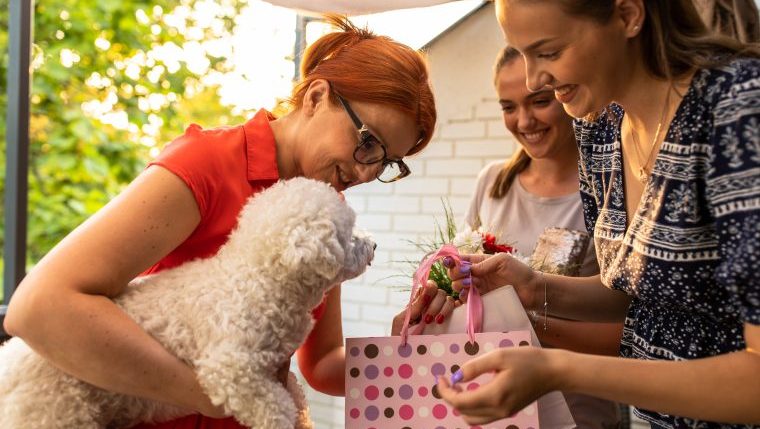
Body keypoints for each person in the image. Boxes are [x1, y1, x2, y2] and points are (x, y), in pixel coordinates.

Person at [3, 15, 436, 429]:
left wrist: (412, 359)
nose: (366, 172)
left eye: (386, 162)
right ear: (317, 96)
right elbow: (39, 306)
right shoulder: (206, 164)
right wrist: (211, 392)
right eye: (367, 143)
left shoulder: (325, 209)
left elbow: (321, 363)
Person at [436, 1, 760, 428]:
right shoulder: (599, 129)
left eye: (548, 53)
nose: (537, 79)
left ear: (628, 15)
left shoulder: (737, 107)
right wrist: (533, 288)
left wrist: (559, 369)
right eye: (523, 54)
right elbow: (639, 293)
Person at [463, 45, 623, 429]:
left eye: (538, 101)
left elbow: (627, 331)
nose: (524, 120)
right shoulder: (493, 182)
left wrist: (525, 321)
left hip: (580, 414)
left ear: (566, 94)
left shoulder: (608, 188)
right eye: (508, 106)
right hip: (499, 409)